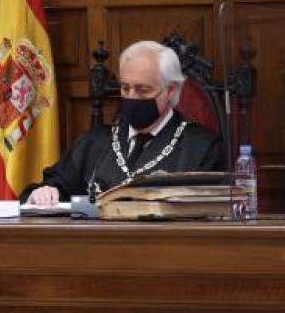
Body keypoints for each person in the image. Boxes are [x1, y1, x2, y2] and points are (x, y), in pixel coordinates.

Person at [22, 40, 223, 206]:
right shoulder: (95, 142)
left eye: (142, 90)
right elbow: (54, 186)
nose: (132, 97)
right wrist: (44, 192)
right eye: (125, 89)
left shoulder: (201, 147)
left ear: (170, 90)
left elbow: (206, 215)